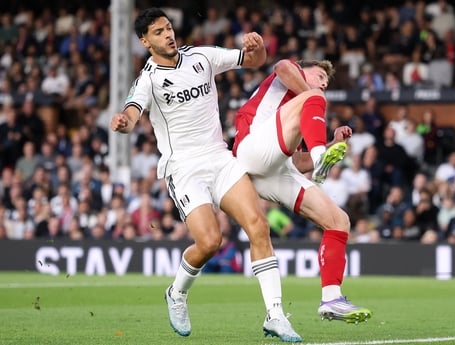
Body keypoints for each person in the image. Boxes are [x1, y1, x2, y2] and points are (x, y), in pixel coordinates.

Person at [110, 8, 301, 342]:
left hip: (219, 157)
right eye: (158, 32)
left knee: (259, 226)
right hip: (183, 168)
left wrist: (256, 47)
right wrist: (124, 123)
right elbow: (132, 111)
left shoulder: (201, 56)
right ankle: (177, 294)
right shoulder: (148, 80)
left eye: (169, 28)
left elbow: (254, 61)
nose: (168, 35)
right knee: (210, 242)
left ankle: (275, 314)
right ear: (144, 41)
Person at [232, 58, 372, 323]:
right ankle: (322, 156)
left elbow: (297, 162)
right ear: (304, 70)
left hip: (273, 169)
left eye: (326, 82)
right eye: (319, 75)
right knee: (314, 99)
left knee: (338, 221)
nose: (323, 83)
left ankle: (332, 298)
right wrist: (315, 98)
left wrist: (331, 144)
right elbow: (281, 67)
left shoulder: (297, 113)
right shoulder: (291, 73)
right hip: (250, 150)